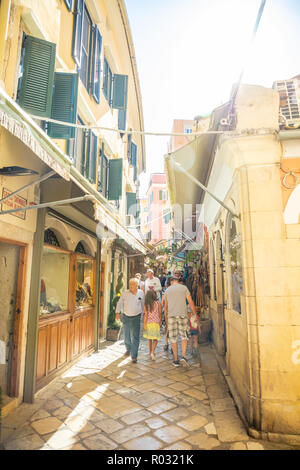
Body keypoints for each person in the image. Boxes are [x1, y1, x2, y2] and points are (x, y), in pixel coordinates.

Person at [164, 272, 197, 367]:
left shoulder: (167, 290)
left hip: (171, 316)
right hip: (183, 315)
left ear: (171, 282)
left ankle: (175, 359)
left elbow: (165, 307)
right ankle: (183, 356)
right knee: (184, 336)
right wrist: (195, 314)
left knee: (173, 337)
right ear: (178, 281)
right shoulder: (184, 288)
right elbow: (190, 302)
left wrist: (166, 319)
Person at [116, 278, 145, 363]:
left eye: (133, 284)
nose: (131, 286)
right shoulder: (125, 293)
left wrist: (143, 315)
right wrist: (117, 312)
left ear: (137, 286)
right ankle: (128, 348)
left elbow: (143, 304)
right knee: (127, 335)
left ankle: (134, 355)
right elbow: (120, 303)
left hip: (137, 317)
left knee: (136, 337)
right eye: (130, 284)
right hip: (126, 317)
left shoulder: (141, 293)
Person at [143, 290, 162, 360]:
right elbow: (160, 313)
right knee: (155, 339)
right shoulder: (158, 303)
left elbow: (145, 315)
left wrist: (144, 325)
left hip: (149, 323)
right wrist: (160, 321)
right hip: (156, 323)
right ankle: (152, 352)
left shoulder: (146, 305)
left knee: (149, 338)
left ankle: (150, 351)